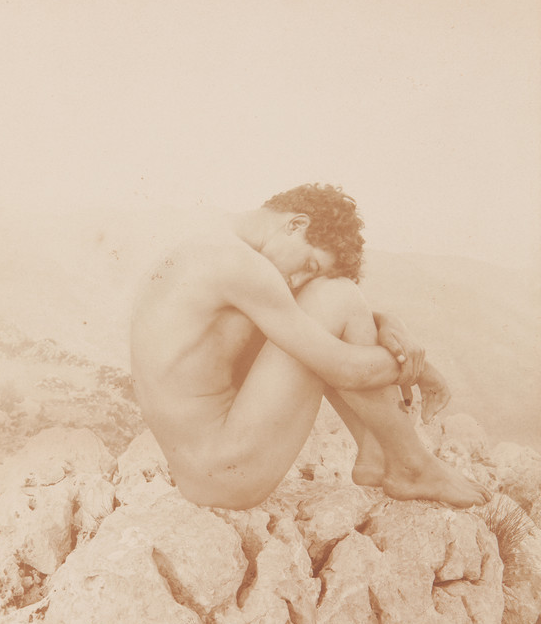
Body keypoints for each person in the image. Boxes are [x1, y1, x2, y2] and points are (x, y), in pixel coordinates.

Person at [130, 183, 490, 510]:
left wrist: (387, 322)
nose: (297, 280)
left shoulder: (215, 241)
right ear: (296, 224)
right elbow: (346, 369)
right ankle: (412, 465)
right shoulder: (240, 265)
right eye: (309, 264)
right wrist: (420, 368)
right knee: (338, 294)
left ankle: (377, 452)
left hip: (208, 473)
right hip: (229, 474)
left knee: (333, 298)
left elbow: (296, 320)